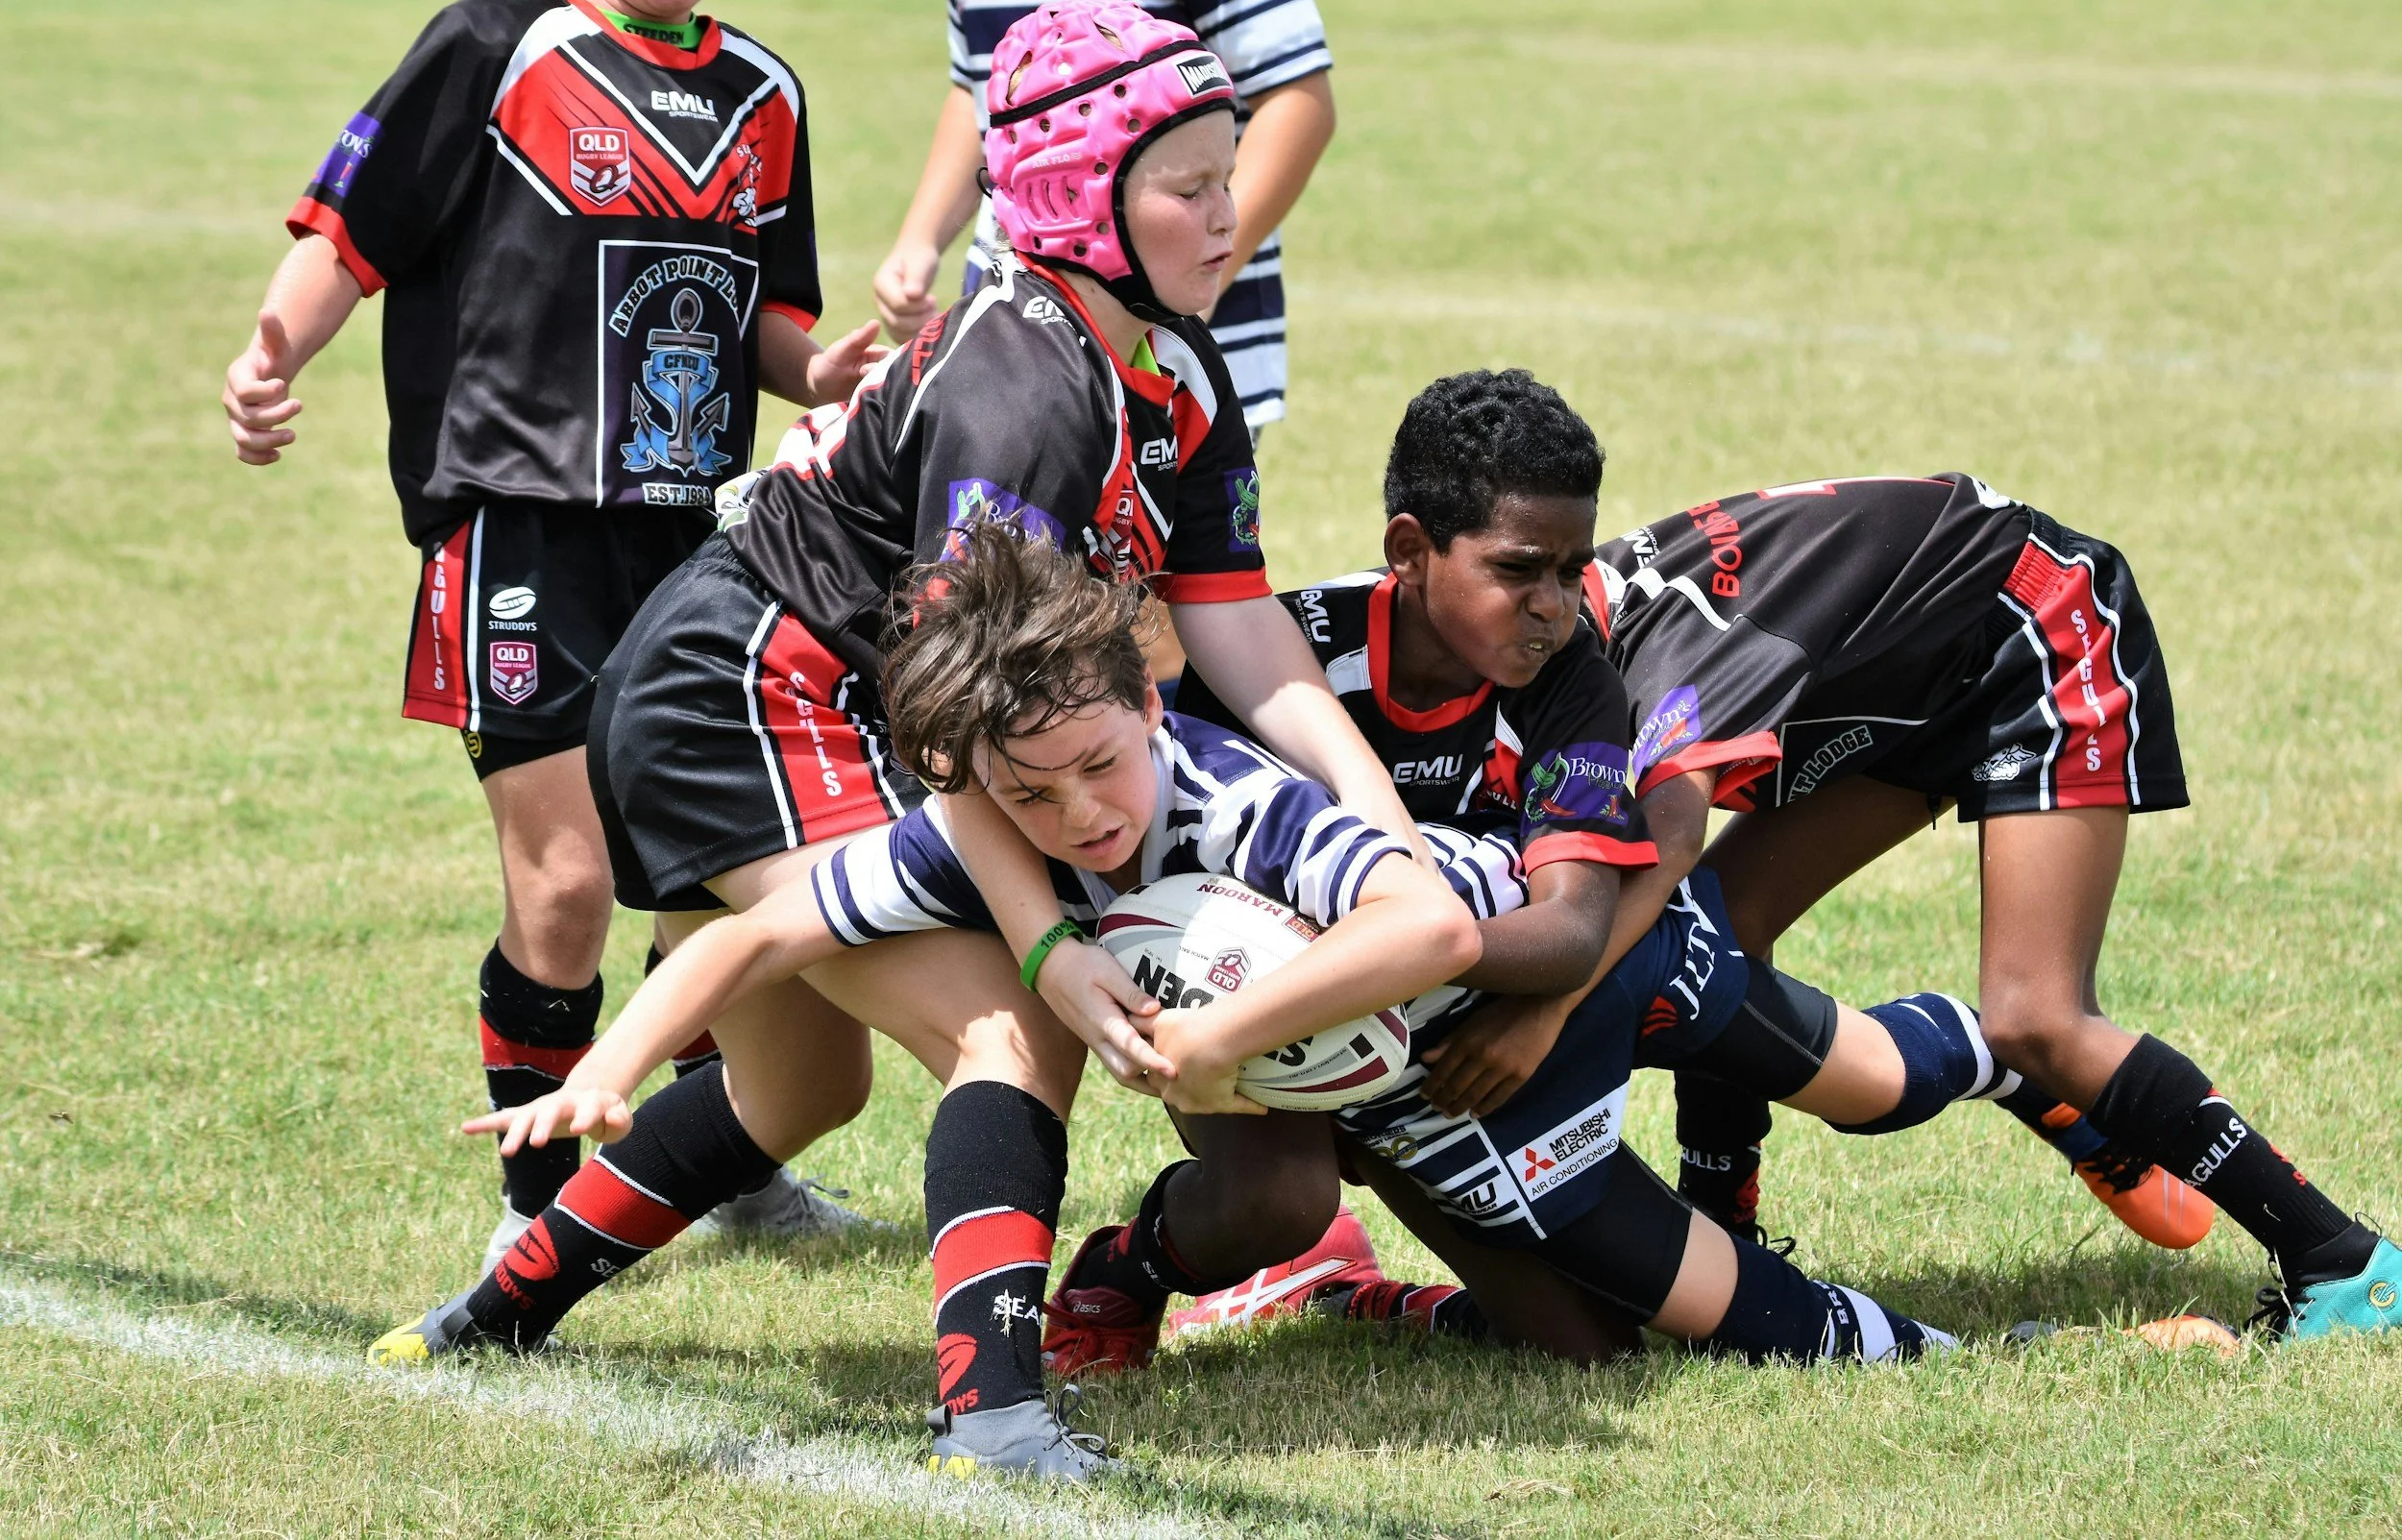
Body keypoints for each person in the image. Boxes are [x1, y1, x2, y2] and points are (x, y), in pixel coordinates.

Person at [378, 524, 1481, 1481]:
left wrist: (1221, 1033)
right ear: (980, 786)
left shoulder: (1234, 804)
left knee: (1280, 1195)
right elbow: (762, 934)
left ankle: (1049, 1353)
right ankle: (500, 1308)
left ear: (1150, 703)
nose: (1080, 813)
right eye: (1032, 794)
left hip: (1446, 1027)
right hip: (716, 687)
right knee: (843, 1075)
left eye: (1099, 762)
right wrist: (609, 1066)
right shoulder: (981, 823)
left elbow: (1431, 925)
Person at [1056, 372, 2099, 1363]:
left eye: (1570, 567)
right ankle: (1138, 1270)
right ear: (1409, 551)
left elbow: (1567, 932)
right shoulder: (1282, 665)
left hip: (1564, 1002)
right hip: (1326, 1038)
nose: (1554, 602)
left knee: (1836, 1120)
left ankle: (2025, 1073)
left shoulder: (1570, 683)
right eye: (1519, 569)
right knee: (1288, 1207)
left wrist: (1472, 982)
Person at [218, 0, 886, 1269]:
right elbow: (347, 234)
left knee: (699, 883)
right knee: (570, 884)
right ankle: (533, 1208)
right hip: (518, 517)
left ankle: (729, 1169)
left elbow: (771, 318)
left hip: (698, 537)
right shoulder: (494, 46)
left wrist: (830, 375)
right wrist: (270, 349)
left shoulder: (765, 91)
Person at [1581, 473, 2401, 1336]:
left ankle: (2344, 1263)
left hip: (2040, 626)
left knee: (2038, 1018)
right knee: (1722, 932)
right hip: (1916, 670)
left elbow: (1666, 847)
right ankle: (1725, 1230)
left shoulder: (1659, 646)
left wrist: (1542, 1009)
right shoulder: (1565, 607)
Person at [874, 0, 1337, 440]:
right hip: (1019, 312)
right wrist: (920, 238)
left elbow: (1298, 97)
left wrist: (1181, 303)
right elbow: (986, 99)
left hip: (1184, 338)